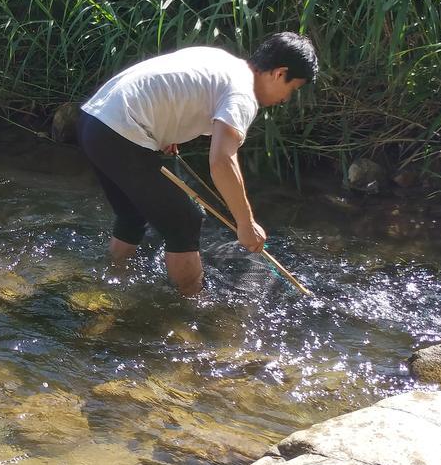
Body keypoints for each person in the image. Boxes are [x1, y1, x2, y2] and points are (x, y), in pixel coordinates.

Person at [78, 33, 319, 295]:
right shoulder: (243, 94)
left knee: (132, 215)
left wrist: (162, 133)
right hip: (119, 131)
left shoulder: (221, 60)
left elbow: (171, 90)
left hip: (93, 121)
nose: (286, 99)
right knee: (186, 221)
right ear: (279, 73)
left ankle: (107, 288)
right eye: (292, 89)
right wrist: (246, 225)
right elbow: (222, 162)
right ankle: (188, 311)